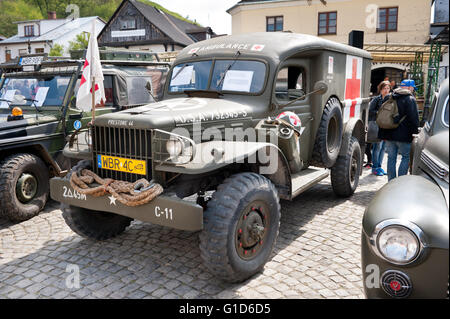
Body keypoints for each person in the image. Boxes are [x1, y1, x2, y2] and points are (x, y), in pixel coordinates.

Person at [378, 79, 420, 181]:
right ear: (409, 87)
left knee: (391, 158)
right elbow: (414, 119)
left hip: (388, 133)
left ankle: (391, 181)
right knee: (405, 157)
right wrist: (414, 133)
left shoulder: (389, 96)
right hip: (404, 136)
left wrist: (382, 133)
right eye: (412, 88)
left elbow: (382, 115)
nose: (413, 90)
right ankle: (400, 183)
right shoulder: (410, 99)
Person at [369, 81, 390, 176]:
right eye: (384, 88)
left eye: (388, 88)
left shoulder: (391, 99)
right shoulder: (376, 99)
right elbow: (370, 111)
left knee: (383, 148)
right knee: (377, 147)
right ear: (380, 89)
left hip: (387, 125)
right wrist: (379, 112)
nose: (386, 90)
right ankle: (375, 168)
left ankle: (379, 166)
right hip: (377, 125)